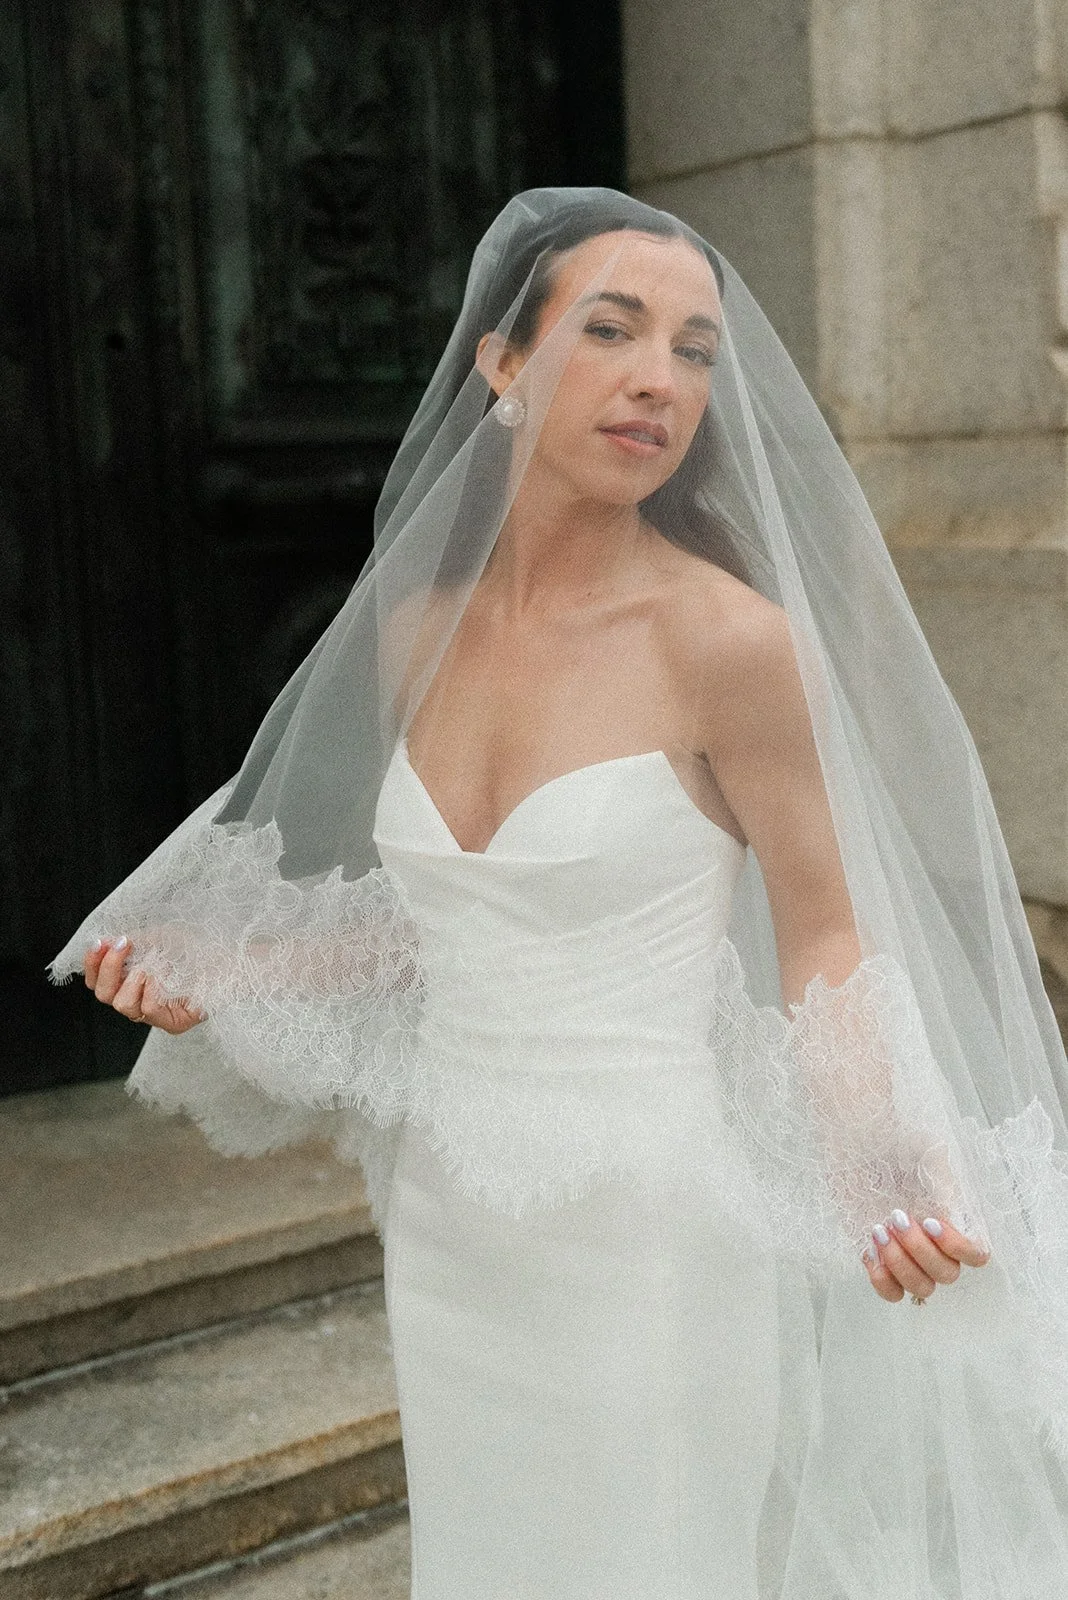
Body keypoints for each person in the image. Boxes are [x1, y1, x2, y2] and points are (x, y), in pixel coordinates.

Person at [51, 189, 1068, 1596]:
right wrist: (225, 973)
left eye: (697, 351)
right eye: (613, 329)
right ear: (504, 362)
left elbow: (825, 927)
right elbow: (437, 931)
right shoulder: (418, 627)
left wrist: (877, 1153)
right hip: (456, 1226)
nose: (662, 377)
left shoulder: (731, 641)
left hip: (651, 1235)